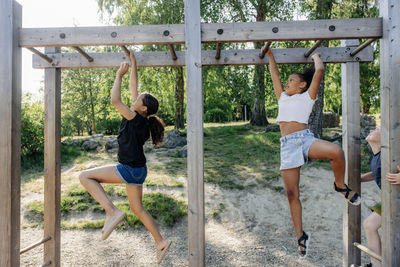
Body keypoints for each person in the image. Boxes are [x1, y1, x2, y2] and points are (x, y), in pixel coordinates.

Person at [79, 50, 171, 264]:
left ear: (143, 107)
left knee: (85, 177)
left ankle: (111, 211)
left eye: (138, 98)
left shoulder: (134, 117)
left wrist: (119, 75)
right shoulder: (141, 119)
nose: (135, 97)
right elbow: (134, 87)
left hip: (129, 168)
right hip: (139, 170)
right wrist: (133, 62)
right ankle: (160, 242)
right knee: (137, 209)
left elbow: (114, 100)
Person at [266, 49, 361, 258]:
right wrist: (270, 55)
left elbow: (319, 70)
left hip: (305, 139)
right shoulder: (282, 97)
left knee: (336, 151)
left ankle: (340, 185)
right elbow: (274, 73)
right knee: (292, 194)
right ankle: (301, 236)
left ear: (302, 85)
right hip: (288, 146)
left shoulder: (308, 97)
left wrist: (316, 55)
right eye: (288, 80)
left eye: (292, 80)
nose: (288, 82)